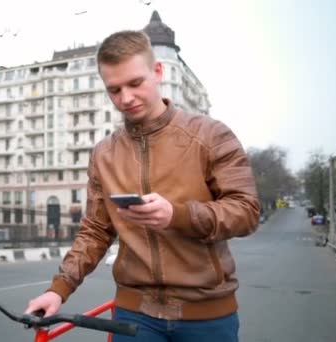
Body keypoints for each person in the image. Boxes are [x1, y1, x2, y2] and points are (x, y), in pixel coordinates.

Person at [24, 30, 260, 342]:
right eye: (114, 90)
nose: (126, 98)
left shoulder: (211, 135)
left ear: (158, 71)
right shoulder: (104, 154)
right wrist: (58, 290)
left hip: (207, 315)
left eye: (135, 83)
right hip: (134, 316)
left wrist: (177, 215)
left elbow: (246, 211)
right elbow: (95, 230)